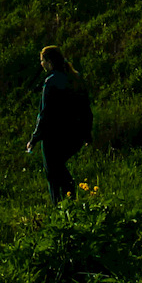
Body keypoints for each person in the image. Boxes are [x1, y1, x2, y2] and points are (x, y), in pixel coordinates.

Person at [23, 44, 88, 205]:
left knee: (52, 174)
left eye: (42, 60)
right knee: (59, 169)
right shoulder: (74, 77)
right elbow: (85, 106)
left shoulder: (51, 82)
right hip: (74, 134)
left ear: (49, 62)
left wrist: (34, 139)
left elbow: (45, 114)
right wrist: (87, 132)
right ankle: (71, 202)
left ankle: (59, 208)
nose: (41, 64)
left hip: (53, 136)